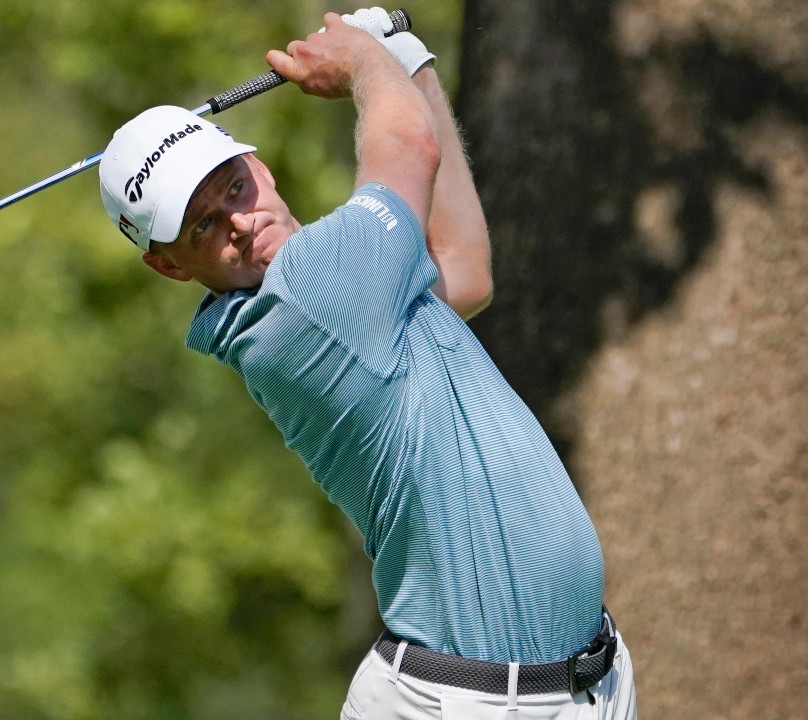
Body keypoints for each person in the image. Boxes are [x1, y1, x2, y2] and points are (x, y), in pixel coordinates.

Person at [97, 8, 636, 720]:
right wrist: (359, 60)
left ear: (256, 162)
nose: (239, 220)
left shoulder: (352, 288)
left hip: (577, 685)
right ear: (168, 267)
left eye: (233, 185)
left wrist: (404, 61)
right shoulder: (307, 293)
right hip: (469, 705)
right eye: (202, 226)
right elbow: (408, 140)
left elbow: (465, 272)